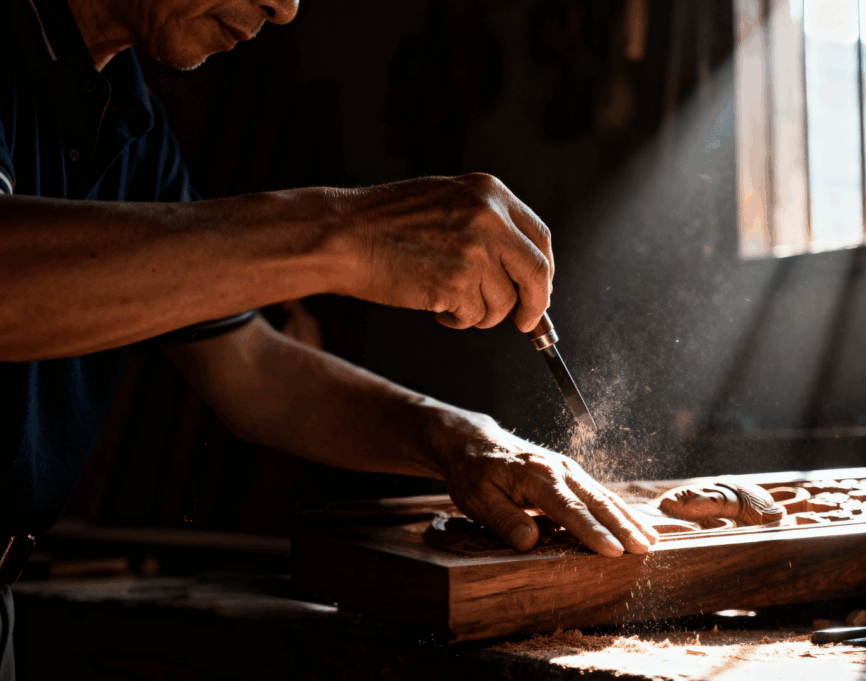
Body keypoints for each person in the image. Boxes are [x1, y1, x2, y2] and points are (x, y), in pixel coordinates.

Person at [0, 0, 657, 673]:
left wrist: (465, 442)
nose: (284, 8)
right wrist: (343, 236)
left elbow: (245, 365)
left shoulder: (124, 112)